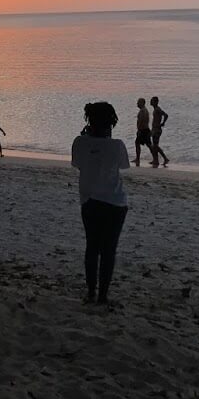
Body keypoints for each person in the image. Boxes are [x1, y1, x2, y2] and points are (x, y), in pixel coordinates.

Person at [73, 101, 131, 305]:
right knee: (109, 250)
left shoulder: (79, 142)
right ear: (111, 123)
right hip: (115, 202)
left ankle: (90, 292)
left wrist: (88, 140)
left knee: (92, 247)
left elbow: (78, 164)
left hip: (89, 200)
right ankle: (103, 295)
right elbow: (124, 166)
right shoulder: (116, 145)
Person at [149, 96, 171, 166]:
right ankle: (156, 160)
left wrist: (163, 123)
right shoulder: (155, 109)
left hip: (157, 129)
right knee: (155, 146)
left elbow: (166, 115)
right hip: (154, 129)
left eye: (152, 101)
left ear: (156, 102)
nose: (150, 102)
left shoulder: (158, 109)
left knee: (155, 146)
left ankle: (165, 158)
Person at [134, 97, 152, 166]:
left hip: (143, 130)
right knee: (148, 145)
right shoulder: (145, 110)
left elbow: (141, 121)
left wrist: (139, 130)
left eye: (138, 102)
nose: (137, 104)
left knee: (138, 143)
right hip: (145, 129)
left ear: (142, 103)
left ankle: (138, 159)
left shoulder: (142, 111)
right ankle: (155, 158)